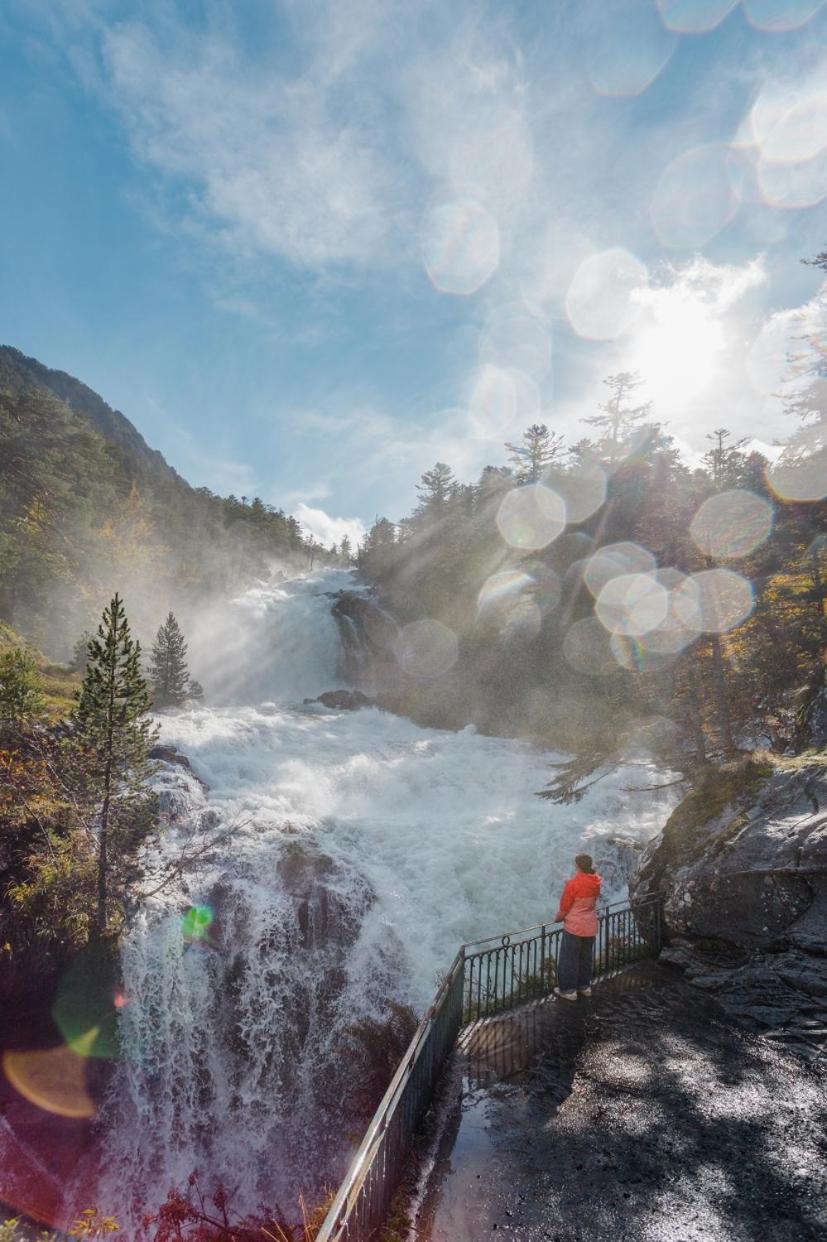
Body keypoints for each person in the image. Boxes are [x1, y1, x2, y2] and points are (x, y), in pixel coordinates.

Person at [552, 853, 602, 1001]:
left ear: (577, 865)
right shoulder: (597, 881)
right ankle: (584, 987)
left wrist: (557, 919)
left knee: (569, 958)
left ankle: (568, 990)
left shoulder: (573, 884)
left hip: (574, 927)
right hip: (590, 925)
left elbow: (564, 908)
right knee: (585, 957)